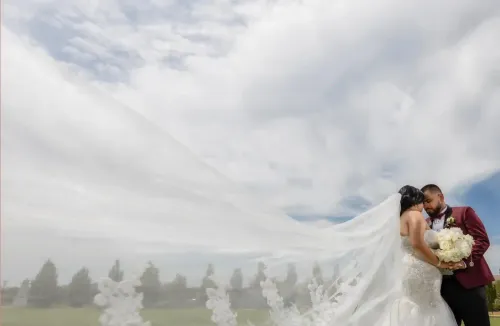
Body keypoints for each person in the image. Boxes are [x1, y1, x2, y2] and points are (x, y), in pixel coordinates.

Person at [422, 184, 494, 326]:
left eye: (428, 201)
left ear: (440, 197)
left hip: (469, 285)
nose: (426, 206)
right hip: (441, 290)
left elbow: (482, 240)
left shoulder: (464, 212)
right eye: (423, 204)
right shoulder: (424, 224)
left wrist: (464, 262)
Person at [392, 185, 457, 326]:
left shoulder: (401, 218)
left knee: (413, 307)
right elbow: (418, 244)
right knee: (425, 310)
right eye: (423, 201)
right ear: (416, 201)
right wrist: (440, 263)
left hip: (408, 267)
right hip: (420, 270)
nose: (424, 206)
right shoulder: (414, 214)